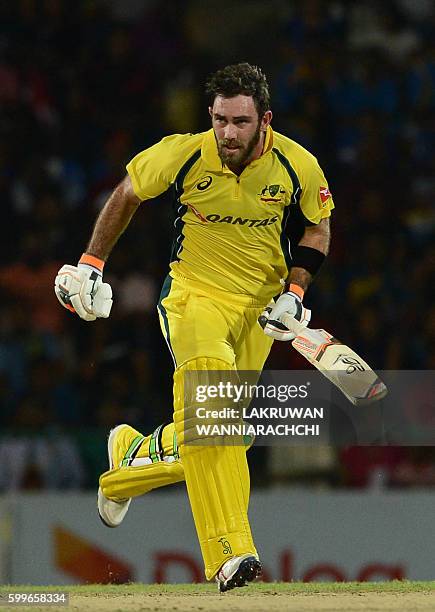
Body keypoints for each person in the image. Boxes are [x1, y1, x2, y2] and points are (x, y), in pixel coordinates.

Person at [54, 63, 333, 591]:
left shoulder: (298, 165)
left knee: (225, 440)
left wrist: (296, 293)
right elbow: (127, 193)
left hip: (258, 311)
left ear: (264, 120)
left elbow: (319, 226)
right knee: (212, 425)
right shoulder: (185, 152)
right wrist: (91, 263)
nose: (228, 133)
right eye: (220, 120)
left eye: (240, 122)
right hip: (193, 298)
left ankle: (128, 464)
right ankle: (231, 556)